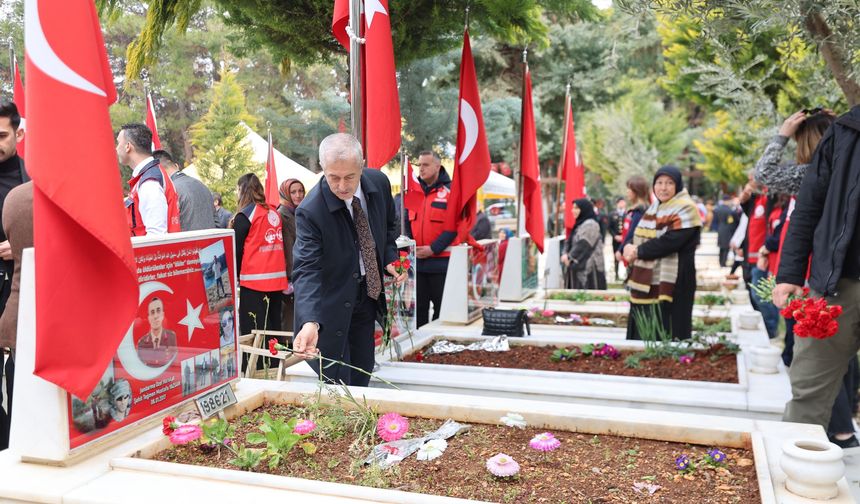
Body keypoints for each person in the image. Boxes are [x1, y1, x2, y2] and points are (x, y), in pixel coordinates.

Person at [763, 108, 860, 448]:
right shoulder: (846, 130)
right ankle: (797, 468)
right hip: (837, 283)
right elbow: (808, 205)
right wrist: (789, 273)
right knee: (810, 387)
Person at [292, 133, 406, 386]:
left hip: (367, 295)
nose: (342, 186)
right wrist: (309, 321)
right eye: (334, 177)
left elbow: (389, 226)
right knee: (336, 379)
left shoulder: (379, 184)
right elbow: (306, 269)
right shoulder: (310, 211)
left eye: (350, 177)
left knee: (363, 370)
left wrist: (390, 258)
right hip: (330, 303)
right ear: (322, 169)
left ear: (362, 166)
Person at [624, 166, 702, 341]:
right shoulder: (654, 208)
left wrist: (638, 251)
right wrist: (629, 246)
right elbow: (638, 235)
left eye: (669, 183)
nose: (663, 188)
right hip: (647, 278)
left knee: (670, 327)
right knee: (645, 325)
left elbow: (670, 242)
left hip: (676, 279)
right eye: (659, 183)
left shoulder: (686, 208)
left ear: (678, 185)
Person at [0, 101, 28, 451]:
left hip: (22, 291)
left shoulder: (33, 179)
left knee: (19, 378)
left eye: (1, 136)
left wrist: (21, 243)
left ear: (18, 134)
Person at [405, 151, 459, 327]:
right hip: (418, 264)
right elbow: (406, 223)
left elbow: (454, 227)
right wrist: (412, 247)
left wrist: (433, 249)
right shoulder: (414, 191)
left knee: (441, 311)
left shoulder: (451, 192)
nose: (421, 169)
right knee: (418, 311)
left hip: (441, 264)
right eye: (419, 165)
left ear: (437, 166)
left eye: (426, 165)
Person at [231, 173, 288, 337]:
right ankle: (274, 355)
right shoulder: (274, 212)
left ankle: (260, 356)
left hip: (254, 282)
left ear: (242, 190)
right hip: (277, 281)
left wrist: (234, 276)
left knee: (254, 332)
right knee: (274, 329)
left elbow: (236, 250)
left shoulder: (245, 216)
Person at [116, 123, 180, 236]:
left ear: (128, 146)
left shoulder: (149, 182)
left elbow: (156, 235)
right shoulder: (150, 176)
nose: (116, 148)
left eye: (118, 143)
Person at [153, 149, 215, 231]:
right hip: (212, 238)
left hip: (186, 238)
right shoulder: (202, 185)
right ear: (176, 166)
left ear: (160, 171)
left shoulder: (171, 191)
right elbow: (216, 220)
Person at [277, 178, 306, 332]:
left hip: (303, 270)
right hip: (290, 274)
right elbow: (286, 247)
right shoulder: (282, 214)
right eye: (293, 192)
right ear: (285, 194)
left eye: (300, 191)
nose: (298, 195)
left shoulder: (302, 212)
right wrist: (287, 277)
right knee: (289, 318)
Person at [561, 199, 606, 289]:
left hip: (590, 268)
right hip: (577, 265)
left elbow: (584, 244)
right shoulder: (579, 224)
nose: (573, 210)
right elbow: (569, 241)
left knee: (589, 294)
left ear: (584, 209)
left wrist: (570, 257)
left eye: (576, 208)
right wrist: (565, 253)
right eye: (573, 208)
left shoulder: (591, 224)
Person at [615, 176, 650, 275]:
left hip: (635, 252)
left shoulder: (640, 211)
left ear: (636, 191)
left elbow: (632, 233)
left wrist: (620, 250)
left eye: (629, 189)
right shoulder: (634, 210)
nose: (627, 192)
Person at [136, 297, 178, 366]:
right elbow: (141, 367)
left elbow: (174, 362)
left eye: (158, 311)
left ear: (163, 315)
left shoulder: (171, 337)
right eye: (152, 312)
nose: (155, 316)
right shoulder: (142, 342)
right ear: (149, 318)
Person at [712, 194, 738, 267]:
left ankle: (721, 262)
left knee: (721, 246)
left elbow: (715, 221)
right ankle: (723, 262)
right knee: (726, 247)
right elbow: (733, 221)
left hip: (720, 228)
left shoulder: (717, 209)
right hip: (728, 229)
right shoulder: (730, 210)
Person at [608, 197, 627, 280]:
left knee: (626, 256)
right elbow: (609, 227)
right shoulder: (612, 214)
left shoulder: (628, 214)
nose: (622, 204)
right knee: (616, 255)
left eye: (623, 202)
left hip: (625, 239)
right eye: (620, 202)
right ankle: (616, 275)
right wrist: (614, 236)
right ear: (617, 203)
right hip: (616, 239)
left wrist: (624, 237)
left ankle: (627, 274)